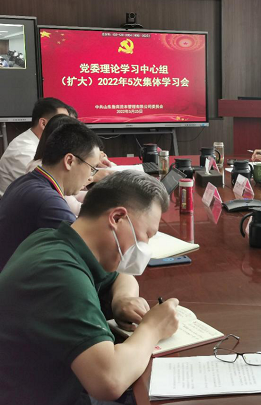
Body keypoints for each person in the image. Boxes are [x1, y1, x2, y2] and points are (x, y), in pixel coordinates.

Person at [0, 171, 179, 405]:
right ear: (117, 218)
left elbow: (121, 276)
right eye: (146, 235)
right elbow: (109, 381)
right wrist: (153, 328)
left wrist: (122, 299)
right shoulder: (60, 275)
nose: (145, 246)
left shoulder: (55, 240)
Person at [0, 120, 103, 270]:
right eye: (92, 168)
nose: (90, 176)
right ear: (69, 161)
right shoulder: (47, 200)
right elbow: (89, 254)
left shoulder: (26, 181)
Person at [0, 97, 68, 196]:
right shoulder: (23, 151)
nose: (67, 128)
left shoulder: (42, 143)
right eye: (62, 122)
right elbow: (55, 187)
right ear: (43, 123)